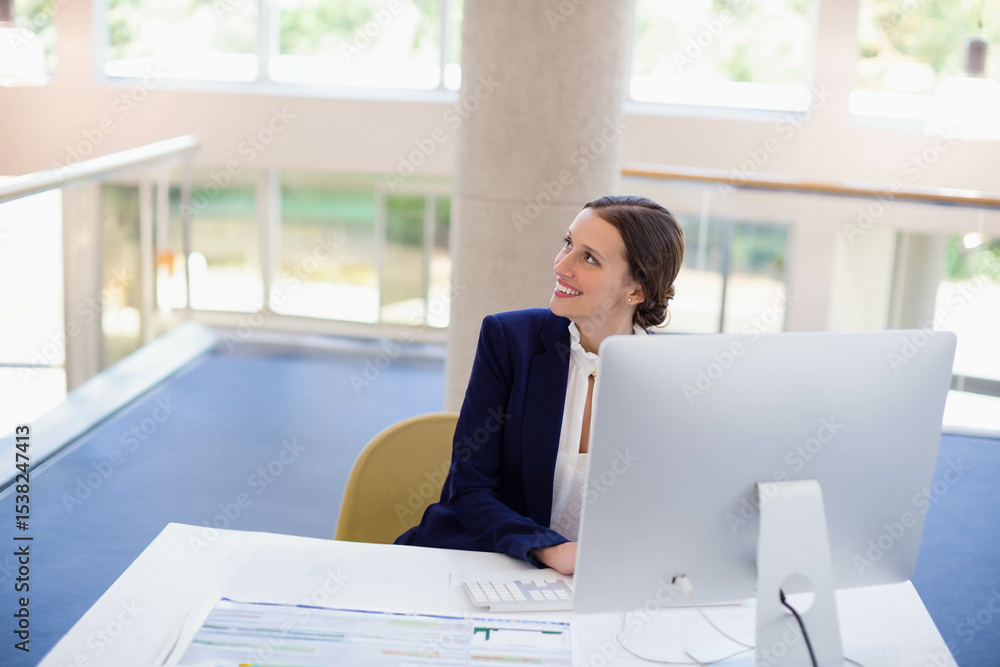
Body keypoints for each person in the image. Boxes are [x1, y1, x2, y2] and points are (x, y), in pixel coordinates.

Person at [395, 194, 685, 575]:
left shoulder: (671, 376)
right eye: (568, 244)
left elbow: (676, 503)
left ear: (636, 290)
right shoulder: (509, 341)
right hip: (487, 562)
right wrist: (550, 549)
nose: (561, 266)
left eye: (589, 258)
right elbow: (468, 489)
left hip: (599, 581)